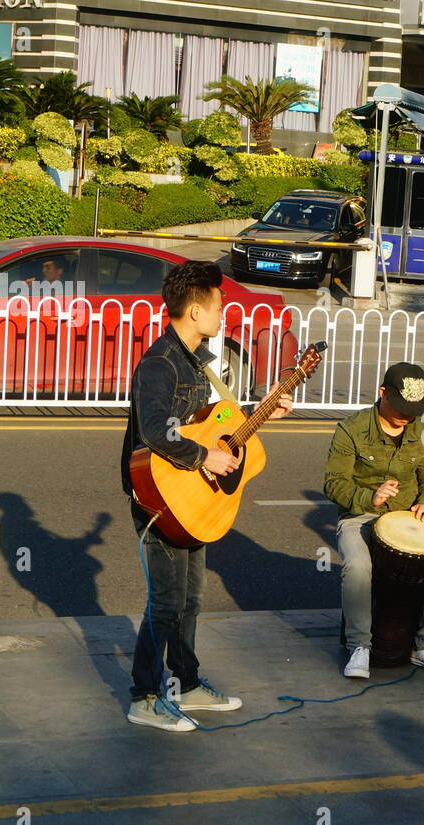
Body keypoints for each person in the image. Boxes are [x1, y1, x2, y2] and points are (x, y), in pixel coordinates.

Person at [120, 260, 293, 731]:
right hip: (161, 497)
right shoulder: (159, 363)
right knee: (166, 601)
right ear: (195, 310)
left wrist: (262, 415)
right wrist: (203, 458)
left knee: (191, 598)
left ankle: (188, 683)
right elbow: (155, 431)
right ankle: (145, 696)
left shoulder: (197, 361)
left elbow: (213, 423)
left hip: (192, 499)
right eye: (218, 305)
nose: (224, 313)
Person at [323, 362, 424, 680]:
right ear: (382, 393)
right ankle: (360, 646)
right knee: (358, 566)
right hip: (361, 516)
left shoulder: (422, 431)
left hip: (408, 518)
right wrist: (370, 497)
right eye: (400, 406)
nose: (406, 414)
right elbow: (333, 484)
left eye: (413, 409)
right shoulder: (351, 428)